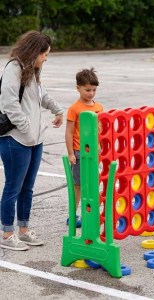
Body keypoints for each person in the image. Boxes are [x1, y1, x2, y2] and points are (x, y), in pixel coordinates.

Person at [0, 31, 64, 251]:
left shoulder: (33, 71)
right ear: (34, 51)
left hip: (35, 140)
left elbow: (41, 95)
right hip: (15, 139)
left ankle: (24, 230)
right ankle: (7, 234)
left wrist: (57, 109)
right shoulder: (14, 68)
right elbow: (9, 104)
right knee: (13, 187)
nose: (45, 58)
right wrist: (27, 128)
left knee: (27, 188)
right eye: (44, 54)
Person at [65, 68, 103, 228]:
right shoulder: (75, 108)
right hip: (80, 152)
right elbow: (69, 131)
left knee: (93, 183)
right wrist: (70, 153)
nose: (91, 93)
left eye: (94, 90)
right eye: (87, 90)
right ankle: (72, 215)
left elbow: (101, 130)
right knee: (78, 185)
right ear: (78, 88)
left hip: (95, 152)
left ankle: (91, 213)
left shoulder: (99, 107)